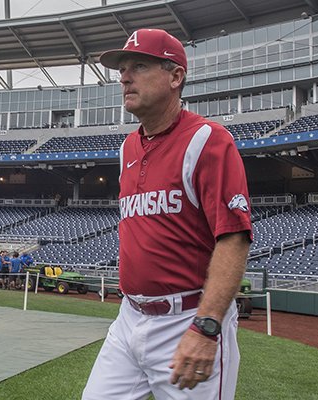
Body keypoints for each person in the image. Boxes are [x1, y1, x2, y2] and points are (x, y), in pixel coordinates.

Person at [83, 28, 252, 400]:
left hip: (188, 318)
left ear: (175, 76)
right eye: (122, 69)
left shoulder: (207, 139)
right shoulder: (128, 146)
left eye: (139, 66)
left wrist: (206, 328)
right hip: (130, 316)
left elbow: (234, 238)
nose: (125, 76)